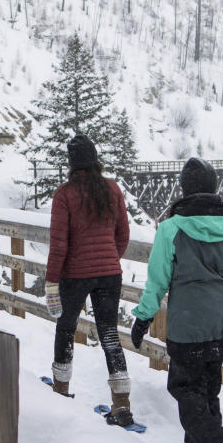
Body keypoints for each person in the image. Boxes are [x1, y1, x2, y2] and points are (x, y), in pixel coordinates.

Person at [130, 157, 223, 443]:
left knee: (185, 389)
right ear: (213, 189)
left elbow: (157, 280)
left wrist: (144, 317)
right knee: (208, 390)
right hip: (220, 324)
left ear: (185, 189)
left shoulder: (171, 229)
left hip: (187, 324)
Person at [45, 134, 136, 426]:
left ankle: (60, 391)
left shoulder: (65, 194)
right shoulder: (112, 189)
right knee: (109, 333)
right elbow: (123, 234)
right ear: (96, 160)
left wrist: (51, 280)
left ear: (72, 164)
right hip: (110, 274)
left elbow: (59, 244)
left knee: (66, 328)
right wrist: (109, 258)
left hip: (75, 275)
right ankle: (121, 404)